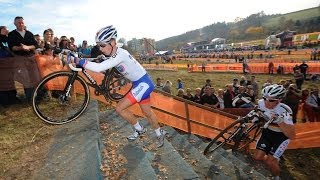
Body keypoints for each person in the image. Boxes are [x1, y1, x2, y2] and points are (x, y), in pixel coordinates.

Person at [68, 25, 166, 148]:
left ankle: (139, 129)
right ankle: (158, 132)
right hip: (139, 83)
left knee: (120, 108)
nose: (100, 48)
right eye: (98, 45)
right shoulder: (114, 53)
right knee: (147, 112)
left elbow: (99, 68)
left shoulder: (121, 54)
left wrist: (76, 60)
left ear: (113, 42)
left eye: (103, 45)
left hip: (143, 83)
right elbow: (103, 61)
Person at [252, 84, 295, 180]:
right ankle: (272, 159)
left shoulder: (285, 110)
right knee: (257, 157)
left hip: (281, 136)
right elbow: (257, 113)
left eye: (271, 100)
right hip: (268, 133)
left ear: (279, 100)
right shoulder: (261, 103)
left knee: (270, 161)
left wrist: (280, 122)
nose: (266, 102)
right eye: (264, 98)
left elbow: (292, 135)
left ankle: (276, 176)